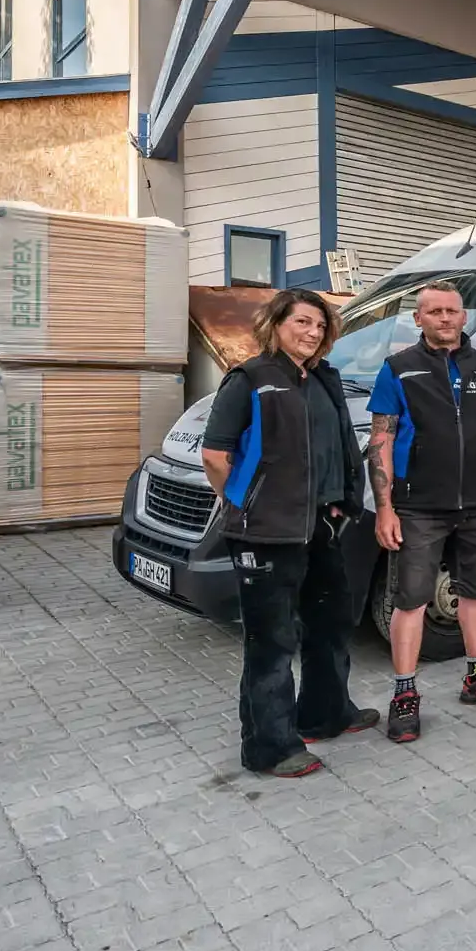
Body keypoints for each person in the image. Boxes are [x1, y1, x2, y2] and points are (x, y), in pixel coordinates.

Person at [200, 289, 374, 779]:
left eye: (320, 325)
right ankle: (269, 747)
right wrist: (245, 503)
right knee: (272, 641)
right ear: (275, 324)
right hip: (266, 533)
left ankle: (325, 713)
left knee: (330, 622)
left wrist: (340, 497)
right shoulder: (250, 379)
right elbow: (215, 456)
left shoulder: (321, 378)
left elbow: (335, 446)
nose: (312, 332)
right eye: (302, 322)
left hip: (319, 523)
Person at [366, 281, 476, 744]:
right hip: (418, 506)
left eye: (451, 311)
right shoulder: (398, 369)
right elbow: (380, 441)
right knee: (411, 600)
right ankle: (404, 694)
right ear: (418, 318)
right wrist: (384, 508)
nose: (444, 318)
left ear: (464, 317)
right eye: (434, 311)